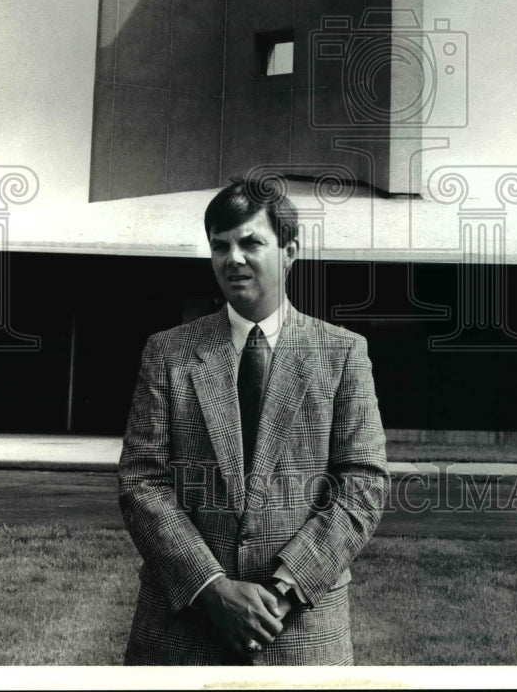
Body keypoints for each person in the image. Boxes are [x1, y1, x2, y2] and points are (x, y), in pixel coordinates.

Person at [118, 176, 389, 666]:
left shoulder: (343, 353)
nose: (233, 258)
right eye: (220, 246)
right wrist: (211, 587)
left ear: (289, 252)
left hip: (300, 633)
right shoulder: (168, 353)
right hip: (183, 631)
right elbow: (142, 482)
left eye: (251, 242)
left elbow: (363, 485)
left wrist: (284, 592)